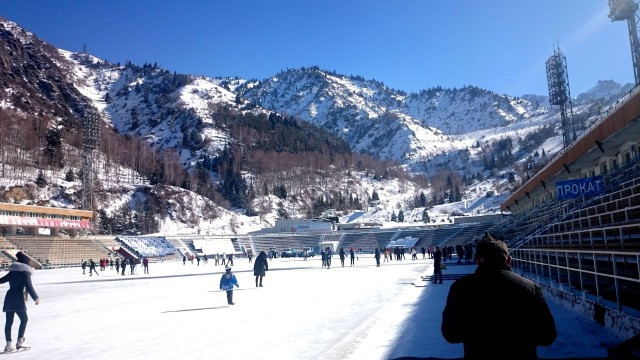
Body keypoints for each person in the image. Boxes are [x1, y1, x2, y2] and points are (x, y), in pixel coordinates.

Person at [441, 235, 557, 360]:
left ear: (478, 261)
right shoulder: (530, 287)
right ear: (509, 260)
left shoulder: (460, 288)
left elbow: (450, 334)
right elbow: (548, 336)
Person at [0, 252, 39, 352]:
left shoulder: (12, 272)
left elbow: (1, 280)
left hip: (9, 298)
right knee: (24, 319)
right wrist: (36, 298)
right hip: (18, 298)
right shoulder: (25, 273)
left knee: (9, 322)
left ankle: (8, 344)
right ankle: (20, 341)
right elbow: (29, 286)